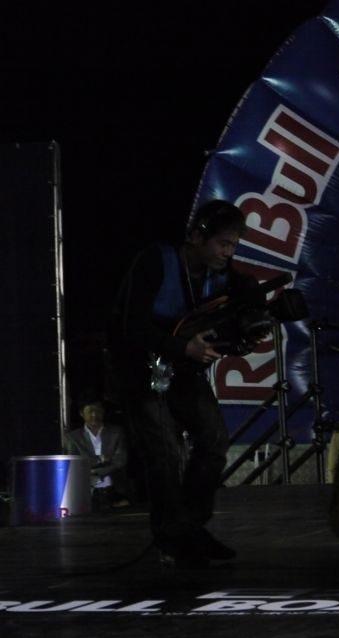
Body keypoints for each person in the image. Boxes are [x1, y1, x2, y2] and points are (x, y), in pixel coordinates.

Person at [106, 199, 260, 567]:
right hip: (139, 369)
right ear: (196, 236)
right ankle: (173, 536)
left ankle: (188, 527)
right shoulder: (156, 262)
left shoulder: (223, 276)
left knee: (214, 439)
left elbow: (245, 303)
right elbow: (132, 325)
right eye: (223, 243)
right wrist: (181, 346)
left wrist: (250, 322)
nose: (228, 252)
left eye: (234, 245)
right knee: (164, 453)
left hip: (182, 370)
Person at [64, 393, 130, 510]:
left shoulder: (116, 432)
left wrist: (97, 471)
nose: (94, 415)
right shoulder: (73, 438)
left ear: (103, 412)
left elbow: (120, 460)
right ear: (82, 413)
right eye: (90, 411)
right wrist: (102, 459)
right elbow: (76, 463)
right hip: (87, 491)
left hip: (115, 491)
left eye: (98, 410)